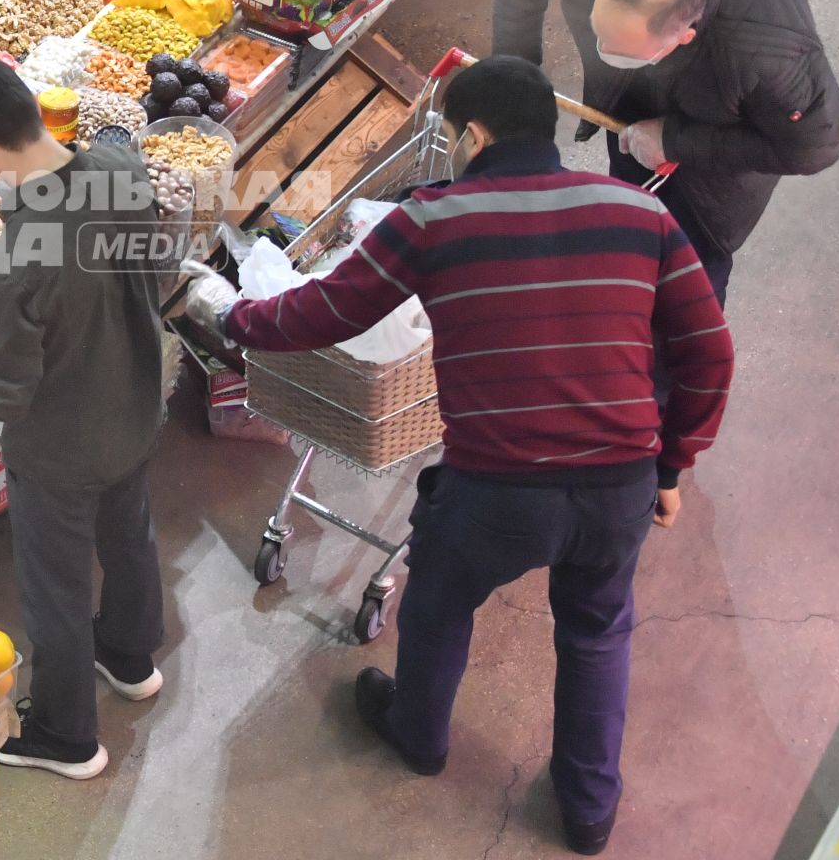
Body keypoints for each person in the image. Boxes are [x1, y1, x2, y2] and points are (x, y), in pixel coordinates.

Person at [183, 57, 734, 855]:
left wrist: (232, 317)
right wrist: (672, 464)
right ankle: (588, 812)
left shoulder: (433, 219)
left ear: (471, 134)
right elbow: (709, 354)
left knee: (439, 603)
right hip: (618, 481)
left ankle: (420, 736)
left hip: (495, 490)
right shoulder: (638, 213)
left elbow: (326, 313)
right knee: (598, 630)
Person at [0, 58, 168, 780]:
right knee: (130, 538)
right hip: (132, 407)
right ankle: (129, 656)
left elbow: (6, 394)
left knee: (55, 586)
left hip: (61, 449)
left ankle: (67, 737)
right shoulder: (123, 169)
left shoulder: (16, 258)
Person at [491, 0, 839, 304]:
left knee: (688, 279)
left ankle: (680, 354)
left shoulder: (768, 57)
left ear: (684, 35)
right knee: (629, 213)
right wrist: (517, 70)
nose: (604, 50)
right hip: (643, 105)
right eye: (601, 32)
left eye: (625, 50)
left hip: (713, 160)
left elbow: (816, 148)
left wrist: (675, 141)